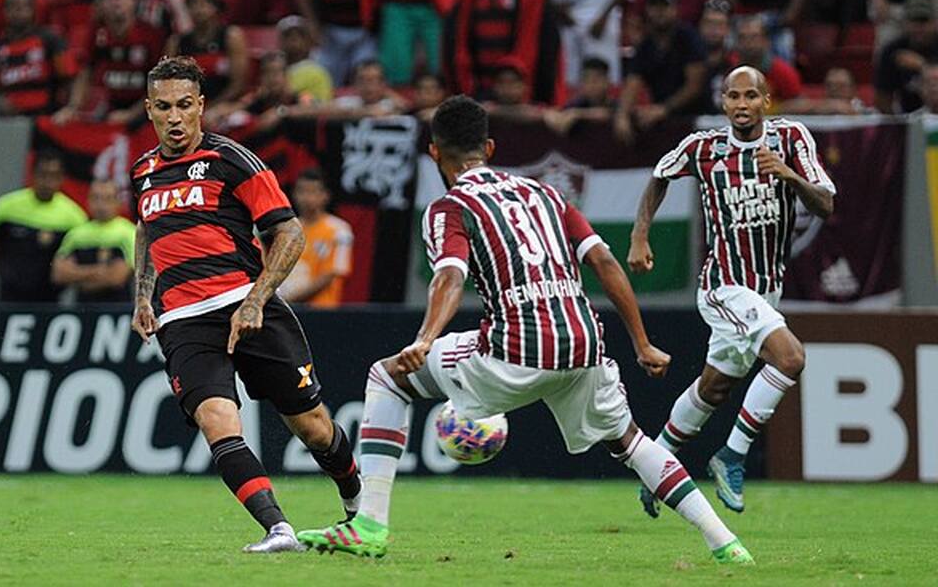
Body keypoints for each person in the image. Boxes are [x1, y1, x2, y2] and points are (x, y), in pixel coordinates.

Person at [296, 95, 753, 565]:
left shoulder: (449, 209)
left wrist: (426, 337)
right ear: (489, 147)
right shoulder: (548, 195)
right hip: (583, 342)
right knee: (631, 440)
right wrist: (641, 342)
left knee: (388, 377)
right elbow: (603, 260)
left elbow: (450, 276)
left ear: (435, 152)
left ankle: (369, 524)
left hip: (516, 346)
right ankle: (727, 543)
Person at [131, 56, 361, 553]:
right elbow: (147, 229)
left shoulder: (233, 160)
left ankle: (355, 499)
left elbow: (289, 232)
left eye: (185, 106)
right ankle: (278, 529)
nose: (175, 117)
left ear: (202, 107)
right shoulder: (144, 172)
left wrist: (256, 300)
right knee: (217, 420)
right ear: (149, 110)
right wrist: (142, 296)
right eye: (164, 107)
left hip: (246, 306)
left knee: (313, 428)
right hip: (182, 321)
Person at [628, 66, 835, 518]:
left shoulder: (791, 141)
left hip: (766, 291)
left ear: (766, 101)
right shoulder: (704, 148)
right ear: (723, 103)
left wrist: (790, 177)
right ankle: (731, 455)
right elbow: (660, 176)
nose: (742, 105)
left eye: (751, 96)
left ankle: (655, 465)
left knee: (714, 388)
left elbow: (825, 204)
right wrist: (640, 235)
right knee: (791, 358)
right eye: (733, 96)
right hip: (724, 284)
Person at [54, 0, 165, 124]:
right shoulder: (96, 33)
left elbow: (161, 83)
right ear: (102, 4)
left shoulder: (150, 34)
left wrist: (131, 114)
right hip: (109, 105)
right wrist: (72, 107)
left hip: (145, 107)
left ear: (133, 1)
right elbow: (86, 72)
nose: (116, 1)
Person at [0, 151, 88, 303]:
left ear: (61, 178)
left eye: (53, 176)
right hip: (9, 296)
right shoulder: (6, 207)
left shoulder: (74, 216)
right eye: (43, 174)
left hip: (51, 300)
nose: (47, 182)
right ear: (33, 174)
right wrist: (8, 276)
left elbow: (77, 258)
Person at [615, 0, 709, 144]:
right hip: (664, 119)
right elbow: (633, 82)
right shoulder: (646, 45)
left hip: (697, 118)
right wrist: (622, 115)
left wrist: (664, 109)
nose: (659, 12)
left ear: (675, 9)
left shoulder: (688, 38)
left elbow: (694, 86)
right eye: (654, 7)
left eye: (664, 7)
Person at [0, 0, 77, 116]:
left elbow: (69, 77)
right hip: (10, 120)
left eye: (23, 7)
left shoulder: (50, 39)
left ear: (33, 11)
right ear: (4, 12)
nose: (18, 11)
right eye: (12, 7)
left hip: (46, 115)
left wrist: (69, 108)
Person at [51, 178, 136, 303]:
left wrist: (79, 275)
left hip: (117, 311)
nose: (101, 205)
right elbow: (59, 274)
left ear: (118, 201)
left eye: (107, 199)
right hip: (82, 309)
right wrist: (98, 272)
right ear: (88, 200)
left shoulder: (129, 232)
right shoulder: (76, 234)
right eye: (96, 198)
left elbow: (117, 278)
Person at [279, 168, 354, 308]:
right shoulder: (287, 229)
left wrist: (291, 299)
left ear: (325, 195)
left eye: (313, 192)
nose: (307, 198)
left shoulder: (339, 230)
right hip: (288, 311)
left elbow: (331, 275)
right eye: (302, 191)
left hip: (321, 310)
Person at [166, 0, 248, 107]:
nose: (199, 8)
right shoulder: (177, 42)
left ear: (215, 7)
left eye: (205, 2)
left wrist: (211, 107)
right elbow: (167, 83)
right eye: (193, 3)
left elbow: (238, 85)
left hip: (224, 105)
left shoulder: (231, 37)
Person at [874, 0, 938, 114]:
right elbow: (882, 98)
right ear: (904, 23)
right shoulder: (892, 51)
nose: (919, 28)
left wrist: (923, 66)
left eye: (924, 21)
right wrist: (897, 126)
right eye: (913, 21)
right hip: (907, 118)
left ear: (935, 22)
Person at [733, 15, 802, 109]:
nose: (748, 42)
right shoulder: (728, 68)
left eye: (754, 37)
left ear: (766, 41)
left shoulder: (783, 72)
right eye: (742, 37)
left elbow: (797, 105)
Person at [278, 15, 333, 103]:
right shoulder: (274, 69)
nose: (293, 41)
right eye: (288, 36)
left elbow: (323, 104)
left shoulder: (318, 72)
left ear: (308, 40)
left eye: (299, 36)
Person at [785, 67, 870, 115]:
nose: (835, 90)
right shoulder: (821, 107)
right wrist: (816, 108)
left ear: (853, 89)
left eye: (841, 86)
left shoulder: (861, 109)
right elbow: (784, 108)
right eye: (830, 85)